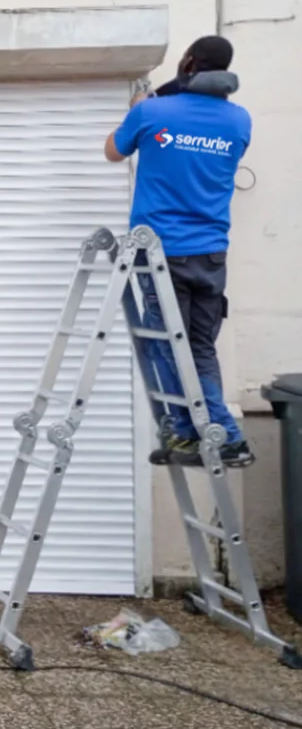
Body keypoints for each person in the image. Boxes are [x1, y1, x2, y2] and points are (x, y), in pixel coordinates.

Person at [104, 35, 254, 467]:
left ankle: (224, 436)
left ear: (188, 63)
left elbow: (113, 152)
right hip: (210, 254)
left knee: (168, 347)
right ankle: (190, 433)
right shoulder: (239, 120)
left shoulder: (151, 112)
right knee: (200, 347)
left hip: (162, 253)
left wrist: (137, 108)